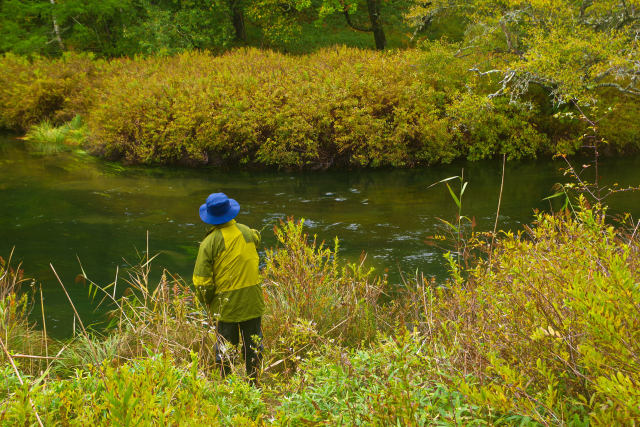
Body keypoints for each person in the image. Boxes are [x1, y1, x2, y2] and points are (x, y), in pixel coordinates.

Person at [193, 192, 264, 385]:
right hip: (252, 301)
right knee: (254, 346)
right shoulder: (247, 232)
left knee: (225, 350)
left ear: (211, 217)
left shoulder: (209, 243)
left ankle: (228, 387)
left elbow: (202, 282)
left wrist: (206, 301)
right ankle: (253, 384)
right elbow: (257, 238)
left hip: (227, 306)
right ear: (231, 212)